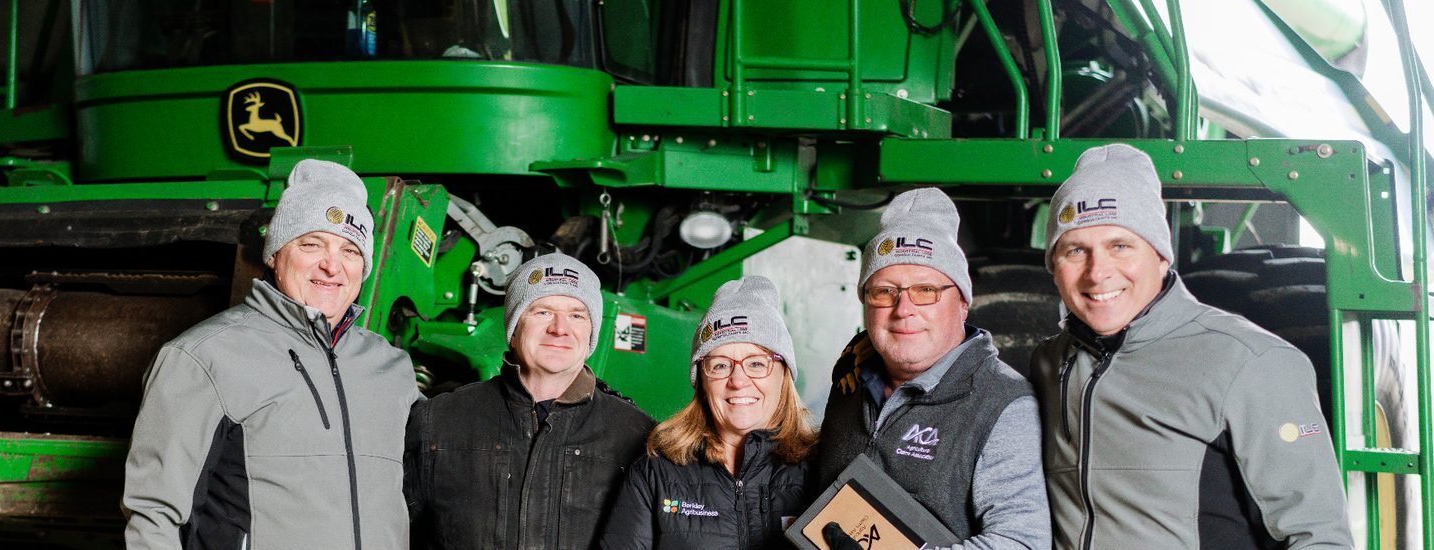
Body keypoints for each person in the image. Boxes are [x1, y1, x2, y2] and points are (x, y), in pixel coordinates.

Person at [1033, 144, 1349, 548]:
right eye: (1075, 250)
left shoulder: (1253, 362)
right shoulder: (1050, 362)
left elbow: (1318, 537)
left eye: (1120, 246)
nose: (1098, 273)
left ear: (1161, 256)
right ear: (1054, 268)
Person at [122, 159, 421, 549]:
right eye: (312, 244)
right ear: (276, 254)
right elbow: (153, 519)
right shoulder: (203, 358)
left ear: (363, 266)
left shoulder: (391, 367)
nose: (332, 265)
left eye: (350, 250)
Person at [813, 188, 1051, 549]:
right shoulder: (850, 382)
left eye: (926, 290)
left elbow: (1022, 543)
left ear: (962, 304)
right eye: (884, 292)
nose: (903, 309)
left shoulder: (1003, 404)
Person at [403, 252, 656, 549]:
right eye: (542, 312)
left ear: (591, 333)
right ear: (513, 328)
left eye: (576, 314)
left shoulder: (640, 438)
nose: (559, 328)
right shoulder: (438, 421)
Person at [599, 276, 817, 549]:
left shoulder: (820, 468)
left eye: (757, 364)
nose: (738, 380)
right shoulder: (656, 472)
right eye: (720, 365)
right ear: (701, 379)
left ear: (785, 374)